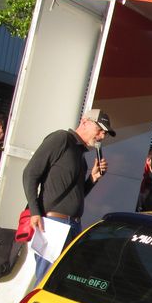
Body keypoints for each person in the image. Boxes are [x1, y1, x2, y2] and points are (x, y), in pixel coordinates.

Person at [22, 109, 112, 283]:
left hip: (73, 224)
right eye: (99, 130)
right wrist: (34, 211)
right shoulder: (61, 139)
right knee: (48, 280)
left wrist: (92, 179)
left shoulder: (80, 154)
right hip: (53, 223)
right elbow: (30, 173)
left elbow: (76, 195)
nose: (102, 136)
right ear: (84, 122)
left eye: (105, 133)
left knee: (63, 281)